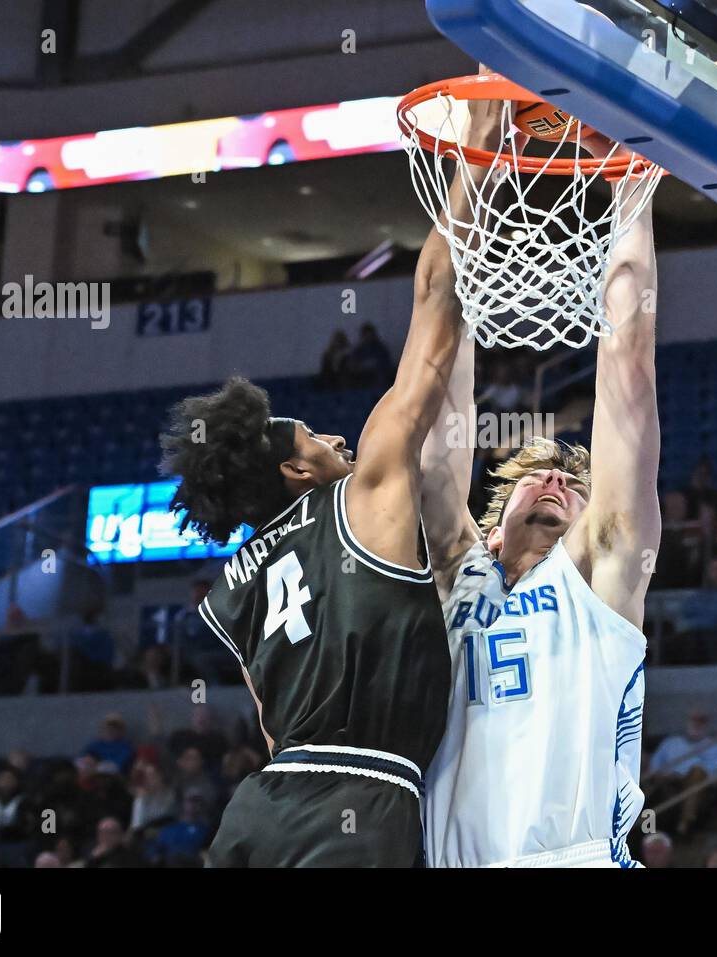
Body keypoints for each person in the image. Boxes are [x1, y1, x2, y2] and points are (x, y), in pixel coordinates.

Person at [157, 94, 506, 869]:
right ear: (294, 470)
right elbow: (432, 304)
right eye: (315, 435)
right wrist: (481, 143)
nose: (338, 437)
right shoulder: (366, 494)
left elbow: (274, 730)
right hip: (361, 798)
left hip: (260, 805)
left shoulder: (232, 585)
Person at [419, 145, 660, 868]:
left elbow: (628, 370)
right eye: (538, 477)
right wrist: (472, 187)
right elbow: (437, 425)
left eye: (574, 485)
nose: (557, 483)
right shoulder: (457, 574)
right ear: (491, 524)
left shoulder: (601, 580)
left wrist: (633, 182)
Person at [647, 710, 717, 836]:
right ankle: (682, 823)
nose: (697, 724)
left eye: (701, 721)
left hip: (700, 788)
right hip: (670, 783)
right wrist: (668, 777)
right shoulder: (671, 742)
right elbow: (654, 768)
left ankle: (685, 822)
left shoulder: (715, 746)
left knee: (697, 772)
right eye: (694, 721)